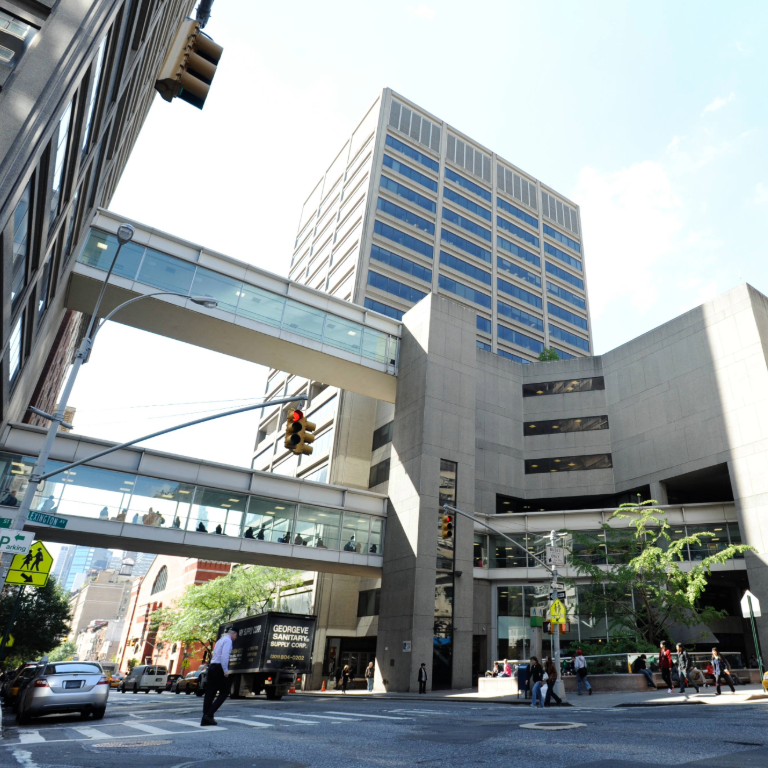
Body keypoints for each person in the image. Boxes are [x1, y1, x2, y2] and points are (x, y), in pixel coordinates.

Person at [201, 627, 238, 726]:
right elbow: (224, 656)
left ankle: (205, 718)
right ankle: (208, 715)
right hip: (219, 668)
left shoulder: (219, 641)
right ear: (233, 633)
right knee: (225, 692)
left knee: (210, 693)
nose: (236, 638)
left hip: (212, 666)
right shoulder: (228, 641)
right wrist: (225, 670)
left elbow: (215, 655)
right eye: (236, 635)